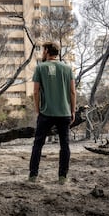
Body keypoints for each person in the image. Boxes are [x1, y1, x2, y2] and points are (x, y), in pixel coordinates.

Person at [29, 42, 76, 185]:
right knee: (65, 145)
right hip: (64, 113)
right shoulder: (68, 68)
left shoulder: (40, 68)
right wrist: (72, 110)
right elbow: (73, 92)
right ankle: (62, 177)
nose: (42, 53)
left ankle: (33, 176)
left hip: (46, 113)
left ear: (47, 51)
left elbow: (36, 91)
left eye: (43, 50)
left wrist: (37, 109)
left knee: (38, 144)